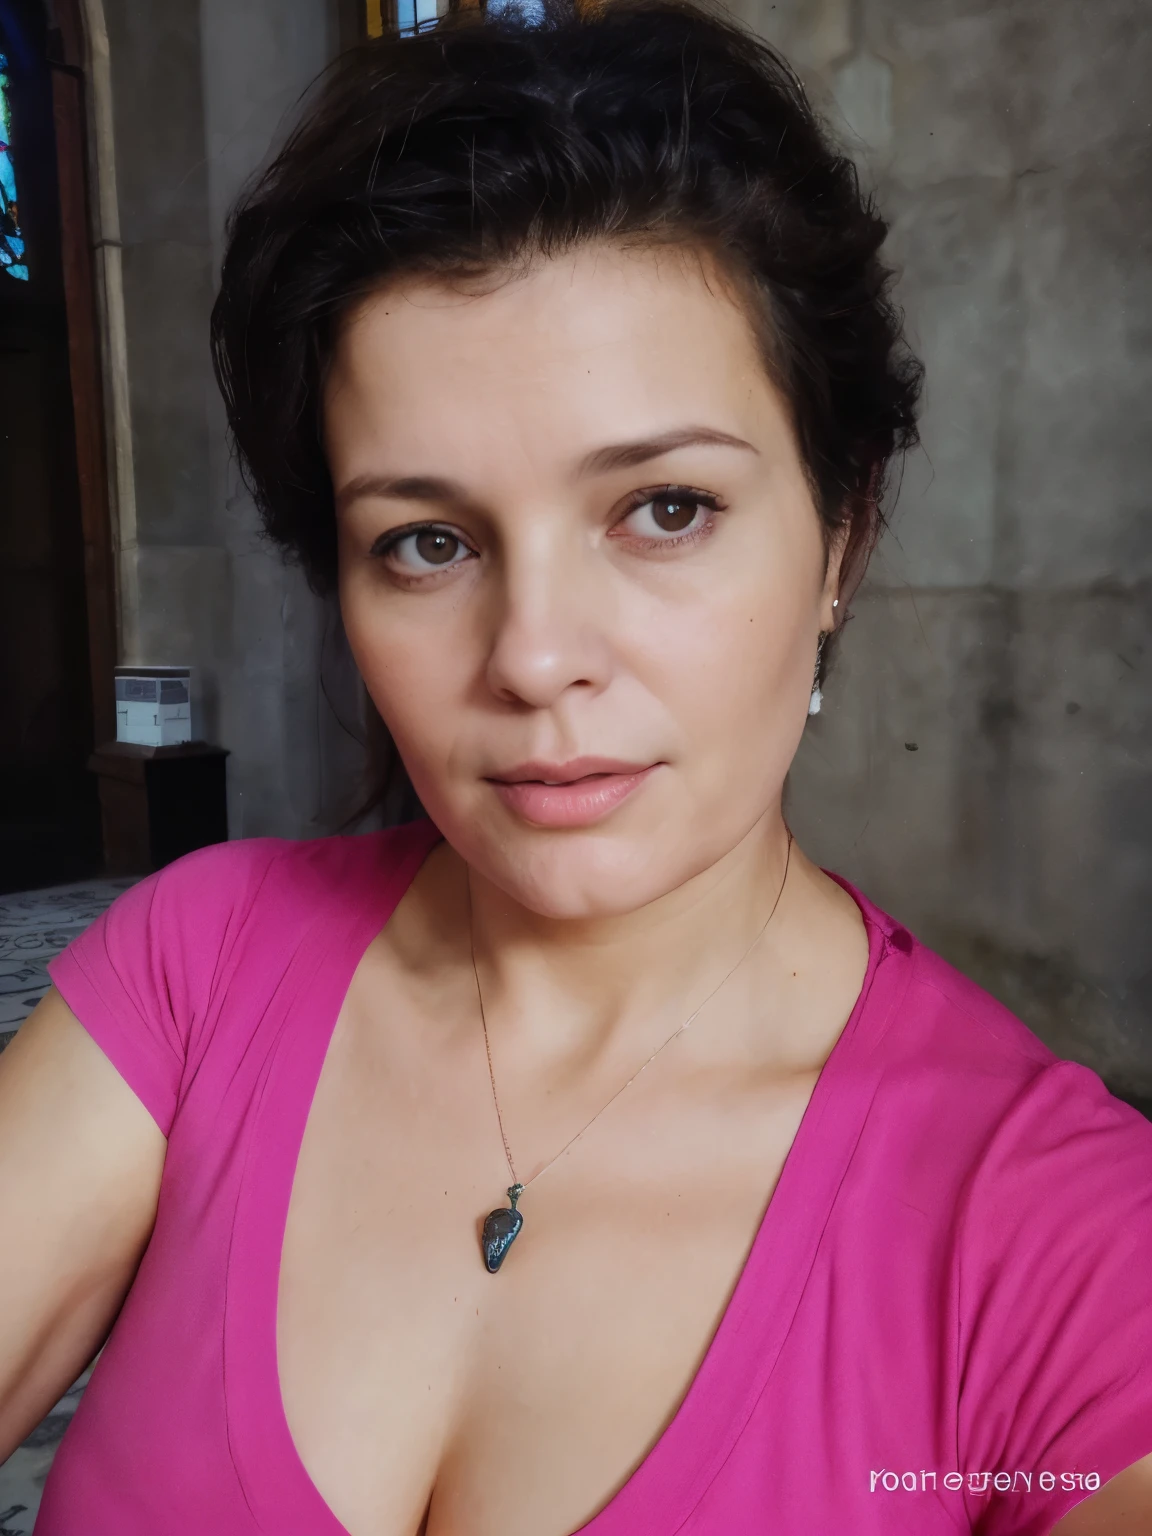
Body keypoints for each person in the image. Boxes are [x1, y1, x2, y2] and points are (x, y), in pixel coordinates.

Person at [2, 2, 1150, 1532]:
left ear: (843, 531)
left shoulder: (1055, 1241)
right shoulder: (195, 972)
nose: (535, 655)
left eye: (664, 509)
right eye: (425, 542)